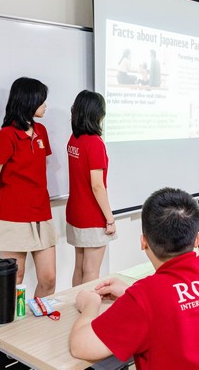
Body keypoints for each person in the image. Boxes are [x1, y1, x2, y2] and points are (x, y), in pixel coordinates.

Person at [69, 188, 199, 370]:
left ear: (143, 242)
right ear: (197, 239)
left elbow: (81, 346)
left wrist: (90, 304)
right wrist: (131, 292)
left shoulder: (145, 296)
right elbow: (179, 299)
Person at [0, 77, 56, 297]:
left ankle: (38, 314)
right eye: (41, 100)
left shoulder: (41, 131)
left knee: (49, 278)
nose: (45, 105)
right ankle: (16, 319)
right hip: (12, 217)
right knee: (16, 277)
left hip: (41, 213)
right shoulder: (6, 136)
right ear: (28, 101)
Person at [66, 90, 116, 287]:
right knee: (91, 270)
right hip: (92, 215)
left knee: (79, 267)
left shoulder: (74, 139)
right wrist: (110, 219)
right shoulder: (95, 143)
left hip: (75, 212)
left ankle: (76, 303)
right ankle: (87, 304)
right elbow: (97, 185)